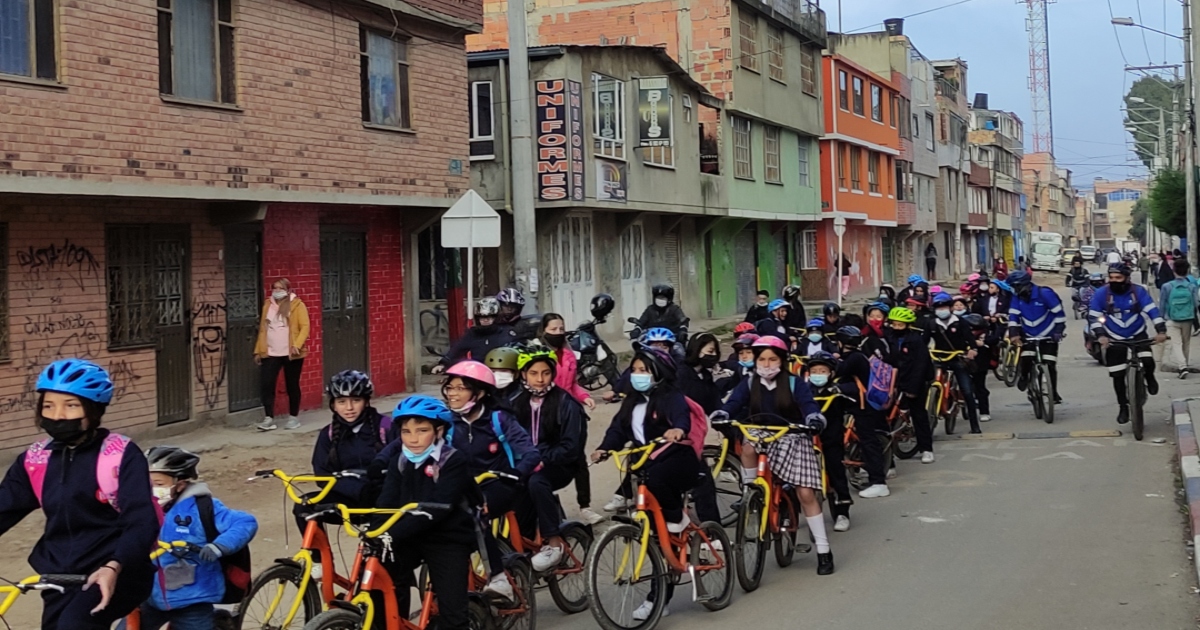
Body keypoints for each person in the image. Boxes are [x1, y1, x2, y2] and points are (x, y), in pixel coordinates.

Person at [0, 359, 159, 629]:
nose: (58, 416)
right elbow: (4, 506)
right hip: (61, 573)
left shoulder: (120, 455)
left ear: (93, 410)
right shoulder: (35, 459)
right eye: (49, 406)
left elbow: (142, 522)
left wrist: (114, 566)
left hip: (117, 569)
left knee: (74, 624)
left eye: (71, 405)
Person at [591, 347, 703, 619]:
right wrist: (605, 448)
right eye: (635, 370)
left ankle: (677, 520)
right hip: (647, 461)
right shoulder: (631, 401)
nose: (638, 375)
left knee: (659, 491)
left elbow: (681, 419)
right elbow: (618, 429)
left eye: (644, 370)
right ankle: (660, 591)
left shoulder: (671, 396)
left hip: (678, 459)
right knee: (651, 531)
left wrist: (678, 430)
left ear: (658, 373)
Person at [711, 337, 833, 575]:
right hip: (759, 433)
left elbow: (809, 406)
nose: (767, 364)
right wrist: (722, 413)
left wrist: (813, 419)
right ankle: (751, 491)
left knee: (806, 493)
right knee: (746, 448)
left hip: (792, 435)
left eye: (773, 359)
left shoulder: (795, 383)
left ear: (782, 361)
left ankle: (823, 549)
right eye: (762, 359)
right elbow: (733, 404)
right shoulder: (748, 383)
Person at [375, 395, 478, 630]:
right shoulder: (399, 461)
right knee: (380, 575)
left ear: (439, 431)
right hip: (410, 536)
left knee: (452, 612)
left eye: (421, 431)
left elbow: (438, 507)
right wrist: (376, 530)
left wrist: (394, 533)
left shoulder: (453, 460)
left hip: (448, 538)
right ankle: (392, 622)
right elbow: (386, 502)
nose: (413, 439)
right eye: (406, 432)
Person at [441, 361, 541, 599]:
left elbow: (531, 452)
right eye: (450, 387)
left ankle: (498, 576)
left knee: (474, 511)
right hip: (463, 487)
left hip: (500, 485)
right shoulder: (446, 423)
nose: (453, 393)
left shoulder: (499, 420)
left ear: (480, 392)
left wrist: (518, 472)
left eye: (460, 388)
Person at [140, 447, 257, 630]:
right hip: (148, 596)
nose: (151, 489)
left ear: (180, 484)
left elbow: (244, 522)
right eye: (145, 483)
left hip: (193, 600)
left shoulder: (202, 507)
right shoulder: (138, 507)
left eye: (158, 483)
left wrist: (219, 546)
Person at [510, 350, 587, 571]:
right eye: (534, 373)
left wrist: (544, 459)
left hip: (558, 465)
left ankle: (553, 542)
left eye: (545, 373)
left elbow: (571, 446)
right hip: (525, 465)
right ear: (523, 374)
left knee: (537, 482)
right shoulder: (515, 402)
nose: (540, 379)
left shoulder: (566, 403)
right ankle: (520, 550)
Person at [300, 371, 394, 536]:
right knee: (304, 507)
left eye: (356, 400)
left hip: (385, 498)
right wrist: (355, 489)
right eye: (341, 402)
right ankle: (317, 558)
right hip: (348, 498)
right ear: (333, 405)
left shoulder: (387, 427)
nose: (349, 408)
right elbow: (321, 473)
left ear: (366, 402)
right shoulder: (327, 434)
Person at [537, 314, 601, 525]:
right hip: (546, 413)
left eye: (560, 329)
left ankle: (585, 506)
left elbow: (573, 385)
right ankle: (548, 500)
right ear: (543, 330)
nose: (557, 333)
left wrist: (585, 397)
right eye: (553, 329)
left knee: (578, 460)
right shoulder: (539, 354)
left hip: (569, 413)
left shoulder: (569, 354)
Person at [1090, 263, 1167, 424]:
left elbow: (1153, 311)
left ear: (1127, 278)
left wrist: (1161, 331)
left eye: (1118, 277)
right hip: (1113, 337)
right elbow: (1094, 317)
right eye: (1111, 278)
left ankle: (1150, 378)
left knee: (1147, 360)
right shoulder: (1101, 294)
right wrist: (1101, 335)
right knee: (1117, 375)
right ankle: (1123, 407)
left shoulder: (1138, 291)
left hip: (1137, 333)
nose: (1114, 281)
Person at [836, 325, 890, 500]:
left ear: (840, 342)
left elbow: (838, 372)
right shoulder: (856, 356)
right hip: (855, 405)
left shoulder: (854, 358)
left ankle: (879, 483)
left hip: (863, 406)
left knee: (868, 441)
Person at [804, 351, 854, 531]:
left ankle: (842, 512)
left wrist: (841, 391)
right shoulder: (804, 390)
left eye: (822, 371)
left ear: (831, 373)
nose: (818, 374)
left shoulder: (837, 389)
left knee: (836, 470)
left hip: (831, 438)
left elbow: (854, 391)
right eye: (814, 371)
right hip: (808, 438)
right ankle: (792, 513)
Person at [254, 278, 311, 431]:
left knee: (292, 384)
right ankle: (268, 418)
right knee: (267, 384)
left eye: (280, 288)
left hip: (291, 353)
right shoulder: (268, 305)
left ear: (287, 289)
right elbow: (263, 329)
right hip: (271, 352)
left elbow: (305, 327)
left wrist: (297, 345)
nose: (277, 291)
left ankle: (293, 417)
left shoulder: (297, 305)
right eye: (274, 288)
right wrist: (259, 350)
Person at [1007, 270, 1066, 404]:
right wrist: (1014, 334)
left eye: (1015, 287)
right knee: (1026, 359)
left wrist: (1058, 330)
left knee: (1050, 364)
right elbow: (1013, 317)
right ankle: (1024, 377)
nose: (1014, 290)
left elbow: (1059, 314)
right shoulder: (1017, 297)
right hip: (1028, 335)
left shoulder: (1045, 293)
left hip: (1049, 334)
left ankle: (1053, 392)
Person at [886, 307, 936, 464]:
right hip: (895, 381)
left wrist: (913, 389)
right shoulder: (889, 338)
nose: (897, 328)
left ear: (907, 325)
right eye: (894, 325)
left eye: (900, 325)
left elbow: (920, 366)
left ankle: (926, 449)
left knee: (919, 415)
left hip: (916, 381)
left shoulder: (916, 340)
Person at [929, 293, 982, 434]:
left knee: (967, 392)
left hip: (957, 359)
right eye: (938, 308)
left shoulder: (960, 322)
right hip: (939, 359)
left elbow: (970, 339)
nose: (941, 310)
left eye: (944, 307)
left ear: (951, 308)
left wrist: (972, 350)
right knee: (929, 386)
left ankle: (974, 425)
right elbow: (924, 342)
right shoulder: (932, 323)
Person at [433, 297, 517, 374]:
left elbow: (518, 351)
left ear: (497, 317)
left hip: (502, 373)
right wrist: (443, 363)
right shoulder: (472, 334)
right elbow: (457, 349)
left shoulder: (507, 332)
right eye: (482, 317)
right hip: (478, 374)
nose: (485, 320)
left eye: (490, 317)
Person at [1160, 259, 1200, 378]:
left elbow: (1162, 304)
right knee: (1186, 343)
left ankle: (1182, 367)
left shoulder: (1167, 286)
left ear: (1174, 271)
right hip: (1187, 319)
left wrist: (1161, 319)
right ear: (1187, 271)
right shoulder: (1191, 286)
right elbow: (1196, 303)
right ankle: (1184, 365)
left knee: (1176, 343)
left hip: (1172, 319)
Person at [962, 313, 995, 423]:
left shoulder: (987, 335)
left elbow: (994, 340)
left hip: (980, 366)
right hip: (962, 363)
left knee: (980, 388)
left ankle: (984, 411)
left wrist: (983, 343)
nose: (972, 332)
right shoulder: (961, 333)